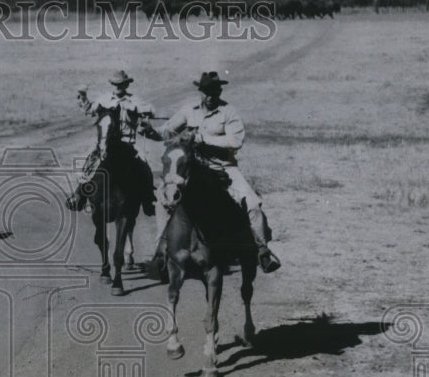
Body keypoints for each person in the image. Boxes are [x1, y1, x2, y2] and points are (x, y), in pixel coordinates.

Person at [162, 71, 281, 273]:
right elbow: (167, 130)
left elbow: (236, 141)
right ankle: (163, 248)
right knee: (168, 197)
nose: (210, 96)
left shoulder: (229, 112)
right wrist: (147, 129)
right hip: (194, 169)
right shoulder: (188, 110)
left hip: (224, 168)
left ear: (219, 91)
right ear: (200, 92)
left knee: (252, 204)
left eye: (214, 92)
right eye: (206, 92)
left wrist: (203, 139)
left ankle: (262, 251)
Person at [66, 70, 157, 216]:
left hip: (129, 142)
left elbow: (152, 111)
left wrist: (135, 109)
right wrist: (83, 96)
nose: (117, 87)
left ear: (126, 85)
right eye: (115, 84)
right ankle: (79, 195)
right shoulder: (104, 99)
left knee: (144, 164)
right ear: (112, 84)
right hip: (105, 142)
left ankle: (148, 199)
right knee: (89, 160)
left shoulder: (134, 100)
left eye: (121, 84)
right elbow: (89, 109)